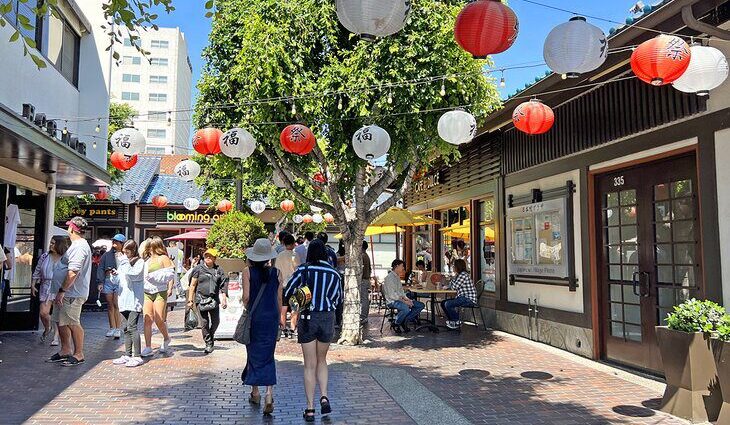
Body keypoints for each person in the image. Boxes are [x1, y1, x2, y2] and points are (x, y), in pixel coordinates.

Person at [284, 239, 342, 422]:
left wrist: (297, 302)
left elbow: (288, 291)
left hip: (308, 317)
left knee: (309, 364)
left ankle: (310, 408)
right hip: (327, 317)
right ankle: (324, 395)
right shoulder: (334, 273)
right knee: (322, 360)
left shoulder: (303, 270)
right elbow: (338, 298)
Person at [242, 238, 283, 416]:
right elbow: (279, 299)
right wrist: (280, 317)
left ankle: (255, 392)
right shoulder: (277, 272)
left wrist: (247, 309)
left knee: (253, 354)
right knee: (269, 355)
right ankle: (269, 394)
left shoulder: (247, 272)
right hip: (272, 317)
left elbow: (246, 297)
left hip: (255, 318)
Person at [47, 217, 92, 367]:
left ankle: (79, 353)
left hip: (72, 293)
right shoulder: (76, 245)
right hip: (66, 293)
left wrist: (62, 290)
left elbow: (73, 271)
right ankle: (65, 349)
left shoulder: (79, 247)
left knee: (72, 322)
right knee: (61, 321)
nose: (67, 230)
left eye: (68, 228)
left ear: (72, 229)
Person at [187, 248, 228, 353]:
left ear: (215, 258)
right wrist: (190, 300)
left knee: (216, 322)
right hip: (200, 299)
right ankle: (208, 343)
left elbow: (223, 285)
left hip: (213, 300)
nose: (208, 258)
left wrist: (224, 299)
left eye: (210, 256)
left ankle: (211, 334)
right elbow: (192, 285)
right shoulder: (198, 269)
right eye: (206, 256)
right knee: (204, 323)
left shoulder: (219, 270)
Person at [141, 236, 175, 357]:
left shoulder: (163, 258)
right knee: (147, 318)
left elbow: (170, 274)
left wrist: (170, 287)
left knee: (159, 318)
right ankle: (148, 346)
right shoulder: (146, 260)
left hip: (160, 291)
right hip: (147, 291)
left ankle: (166, 338)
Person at [114, 240, 145, 367]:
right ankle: (127, 354)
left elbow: (133, 275)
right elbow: (121, 278)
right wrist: (115, 275)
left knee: (132, 327)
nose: (125, 255)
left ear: (133, 251)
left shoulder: (140, 262)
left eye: (127, 252)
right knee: (125, 328)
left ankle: (137, 355)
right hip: (123, 299)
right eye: (123, 252)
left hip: (134, 300)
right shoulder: (124, 263)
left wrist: (124, 262)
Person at [31, 235, 68, 343]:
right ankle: (48, 327)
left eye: (53, 243)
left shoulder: (65, 257)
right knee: (43, 312)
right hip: (46, 286)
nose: (50, 245)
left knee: (58, 313)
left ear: (59, 245)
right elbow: (37, 270)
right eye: (50, 243)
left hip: (59, 286)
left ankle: (56, 337)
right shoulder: (45, 256)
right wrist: (33, 283)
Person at [382, 260, 424, 333]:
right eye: (402, 266)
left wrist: (408, 300)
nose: (403, 268)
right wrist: (405, 302)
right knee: (406, 309)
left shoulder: (397, 277)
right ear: (397, 266)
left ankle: (404, 320)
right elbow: (392, 295)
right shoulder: (389, 278)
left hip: (399, 300)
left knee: (420, 305)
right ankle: (396, 323)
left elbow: (401, 292)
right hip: (392, 301)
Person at [97, 234, 126, 339]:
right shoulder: (106, 255)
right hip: (108, 280)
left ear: (122, 244)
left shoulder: (125, 255)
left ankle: (118, 328)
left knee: (116, 304)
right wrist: (100, 282)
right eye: (114, 241)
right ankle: (112, 327)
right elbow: (100, 268)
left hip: (120, 281)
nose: (114, 243)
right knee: (110, 305)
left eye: (117, 242)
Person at [440, 258, 478, 330]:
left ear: (458, 266)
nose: (453, 267)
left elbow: (455, 287)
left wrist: (451, 279)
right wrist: (451, 281)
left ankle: (456, 321)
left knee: (448, 304)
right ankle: (453, 321)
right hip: (462, 297)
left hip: (468, 299)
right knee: (443, 303)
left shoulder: (463, 275)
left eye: (454, 266)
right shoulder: (459, 275)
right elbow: (453, 285)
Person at [274, 233, 297, 338]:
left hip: (282, 285)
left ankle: (282, 328)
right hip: (293, 285)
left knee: (283, 307)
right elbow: (298, 269)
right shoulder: (294, 255)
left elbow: (276, 270)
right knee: (294, 307)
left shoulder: (279, 255)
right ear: (293, 244)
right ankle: (292, 328)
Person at [360, 240, 371, 325]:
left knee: (364, 299)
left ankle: (363, 317)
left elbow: (361, 269)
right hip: (367, 280)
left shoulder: (362, 256)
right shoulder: (366, 255)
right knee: (365, 299)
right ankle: (364, 316)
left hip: (363, 280)